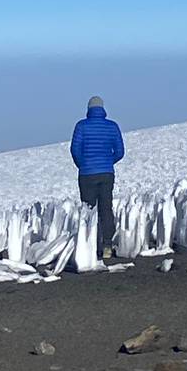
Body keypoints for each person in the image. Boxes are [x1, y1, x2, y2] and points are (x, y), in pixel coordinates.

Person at [70, 95, 125, 260]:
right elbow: (120, 152)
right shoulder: (112, 126)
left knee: (88, 210)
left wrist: (83, 165)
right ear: (102, 109)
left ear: (88, 109)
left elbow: (74, 149)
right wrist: (108, 162)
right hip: (107, 173)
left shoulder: (81, 126)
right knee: (106, 209)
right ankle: (107, 245)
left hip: (87, 174)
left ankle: (89, 246)